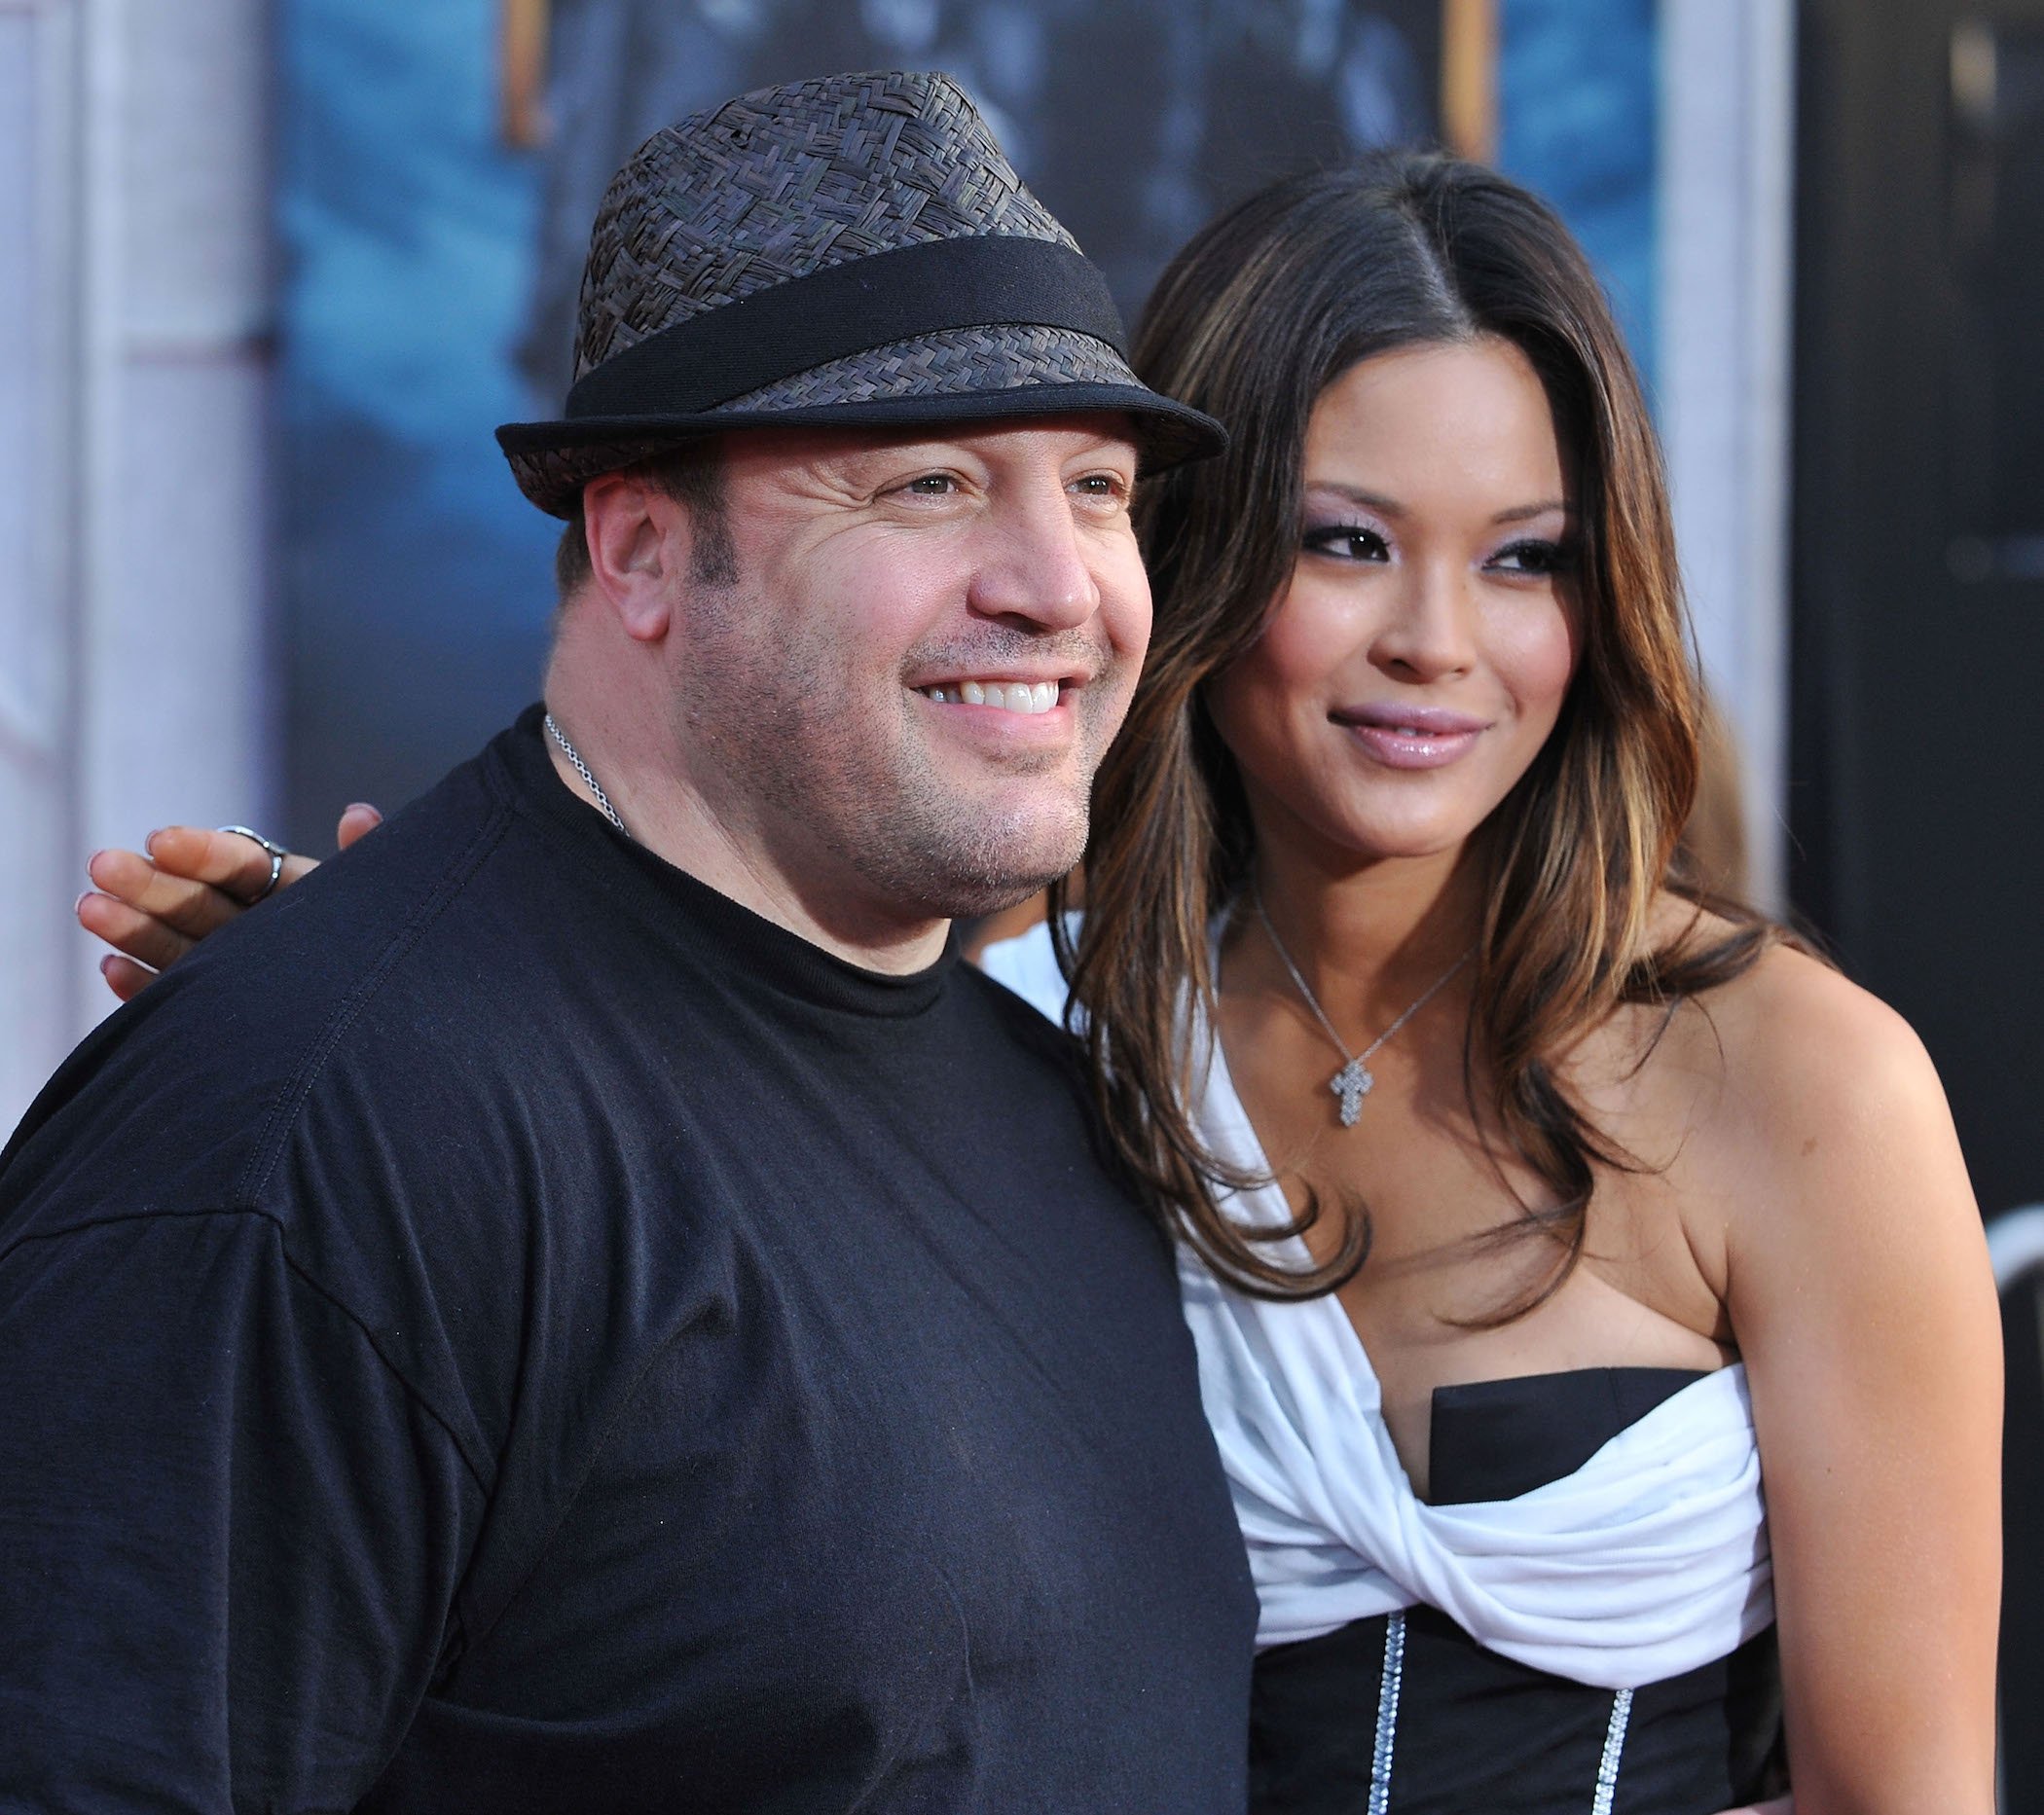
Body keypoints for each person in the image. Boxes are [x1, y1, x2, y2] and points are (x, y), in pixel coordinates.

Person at [77, 157, 1998, 1814]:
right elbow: (676, 1101)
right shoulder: (1026, 1012)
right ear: (1201, 560)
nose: (1439, 645)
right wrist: (369, 994)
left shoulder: (1800, 1088)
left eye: (1525, 560)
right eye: (1347, 545)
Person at [2, 72, 1260, 1812]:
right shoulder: (321, 1127)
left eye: (1103, 487)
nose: (1059, 585)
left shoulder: (1055, 1109)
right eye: (929, 483)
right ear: (648, 548)